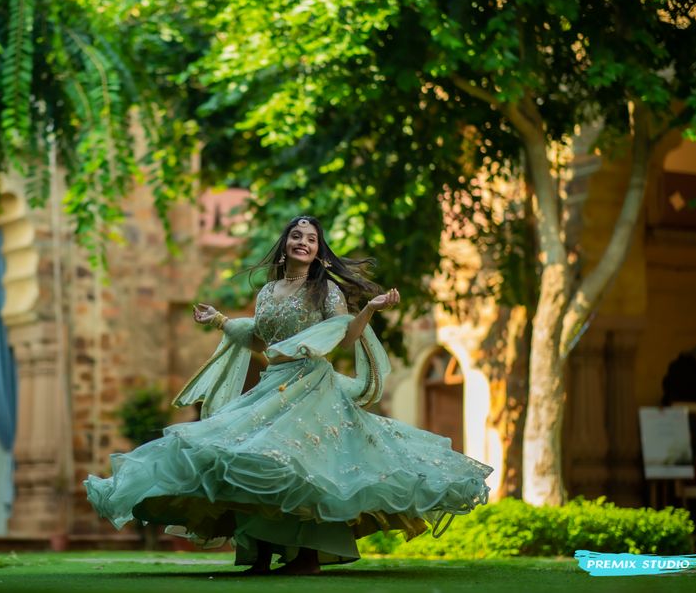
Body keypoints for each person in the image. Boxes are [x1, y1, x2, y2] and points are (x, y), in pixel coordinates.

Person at [85, 215, 493, 575]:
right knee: (247, 459)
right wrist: (220, 320)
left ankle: (308, 558)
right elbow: (262, 340)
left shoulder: (326, 290)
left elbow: (343, 335)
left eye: (312, 238)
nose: (303, 242)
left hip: (312, 386)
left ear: (318, 251)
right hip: (272, 386)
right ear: (285, 244)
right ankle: (260, 553)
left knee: (305, 467)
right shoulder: (267, 291)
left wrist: (369, 309)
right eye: (297, 235)